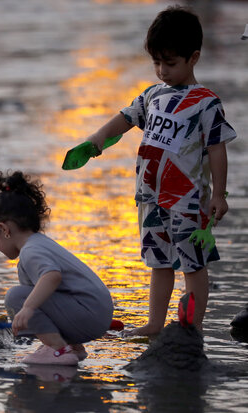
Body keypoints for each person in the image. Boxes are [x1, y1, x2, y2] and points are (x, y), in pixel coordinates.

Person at [85, 6, 237, 336]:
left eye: (170, 63)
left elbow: (216, 149)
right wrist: (98, 139)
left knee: (192, 263)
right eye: (157, 63)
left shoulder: (205, 102)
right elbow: (125, 119)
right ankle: (155, 323)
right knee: (159, 261)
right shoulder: (153, 95)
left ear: (193, 58)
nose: (162, 71)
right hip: (150, 196)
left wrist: (220, 194)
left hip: (187, 199)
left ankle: (192, 327)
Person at [0, 170, 114, 365]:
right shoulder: (39, 243)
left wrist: (27, 308)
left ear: (4, 229)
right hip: (95, 313)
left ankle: (59, 350)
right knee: (29, 291)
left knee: (16, 296)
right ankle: (72, 346)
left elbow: (52, 276)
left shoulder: (30, 251)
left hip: (88, 315)